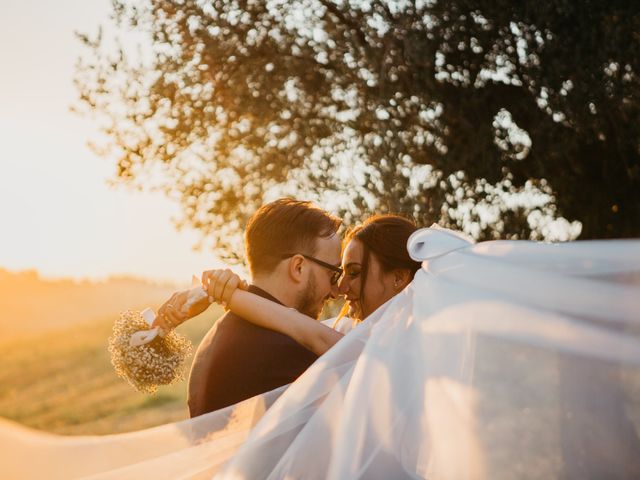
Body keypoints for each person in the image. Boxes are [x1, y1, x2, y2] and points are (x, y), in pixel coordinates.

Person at [154, 198, 342, 417]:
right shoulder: (288, 351)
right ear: (298, 267)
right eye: (333, 275)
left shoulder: (214, 339)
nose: (335, 292)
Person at [199, 215, 422, 356]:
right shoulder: (348, 331)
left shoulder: (406, 347)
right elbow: (292, 322)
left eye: (354, 272)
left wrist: (225, 293)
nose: (341, 288)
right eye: (338, 274)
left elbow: (300, 328)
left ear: (399, 278)